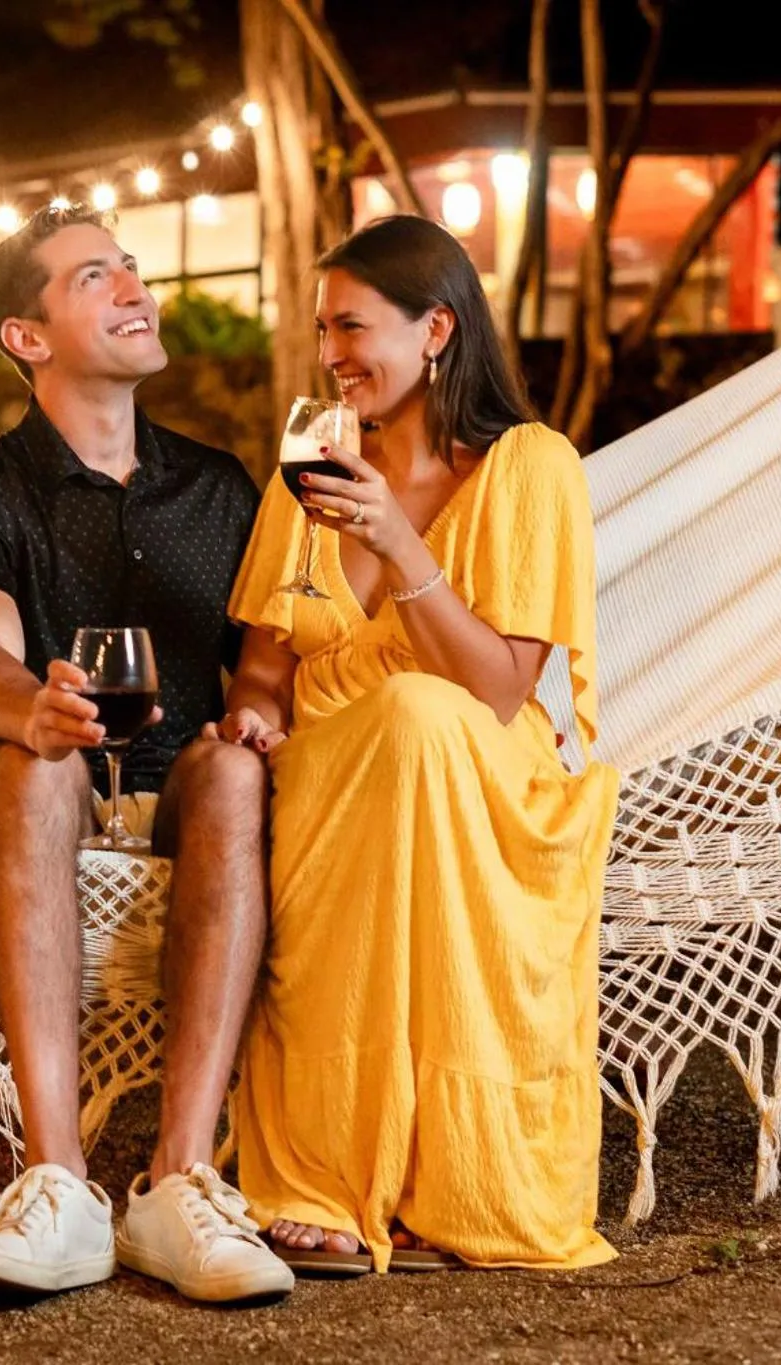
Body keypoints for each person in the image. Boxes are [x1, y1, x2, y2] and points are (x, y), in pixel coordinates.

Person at [218, 215, 620, 1274]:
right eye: (318, 331)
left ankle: (438, 1178)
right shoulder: (306, 476)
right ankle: (329, 1170)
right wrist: (256, 710)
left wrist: (397, 541)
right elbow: (266, 659)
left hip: (474, 774)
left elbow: (497, 688)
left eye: (351, 326)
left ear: (436, 326)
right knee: (383, 727)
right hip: (327, 774)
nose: (329, 353)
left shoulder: (529, 467)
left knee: (413, 718)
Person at [0, 204, 292, 1305]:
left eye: (131, 266)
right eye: (95, 276)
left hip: (175, 772)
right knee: (39, 772)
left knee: (231, 769)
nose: (135, 286)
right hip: (40, 773)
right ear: (25, 338)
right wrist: (33, 709)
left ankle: (178, 1183)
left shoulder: (218, 486)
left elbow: (259, 654)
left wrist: (259, 707)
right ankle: (60, 1185)